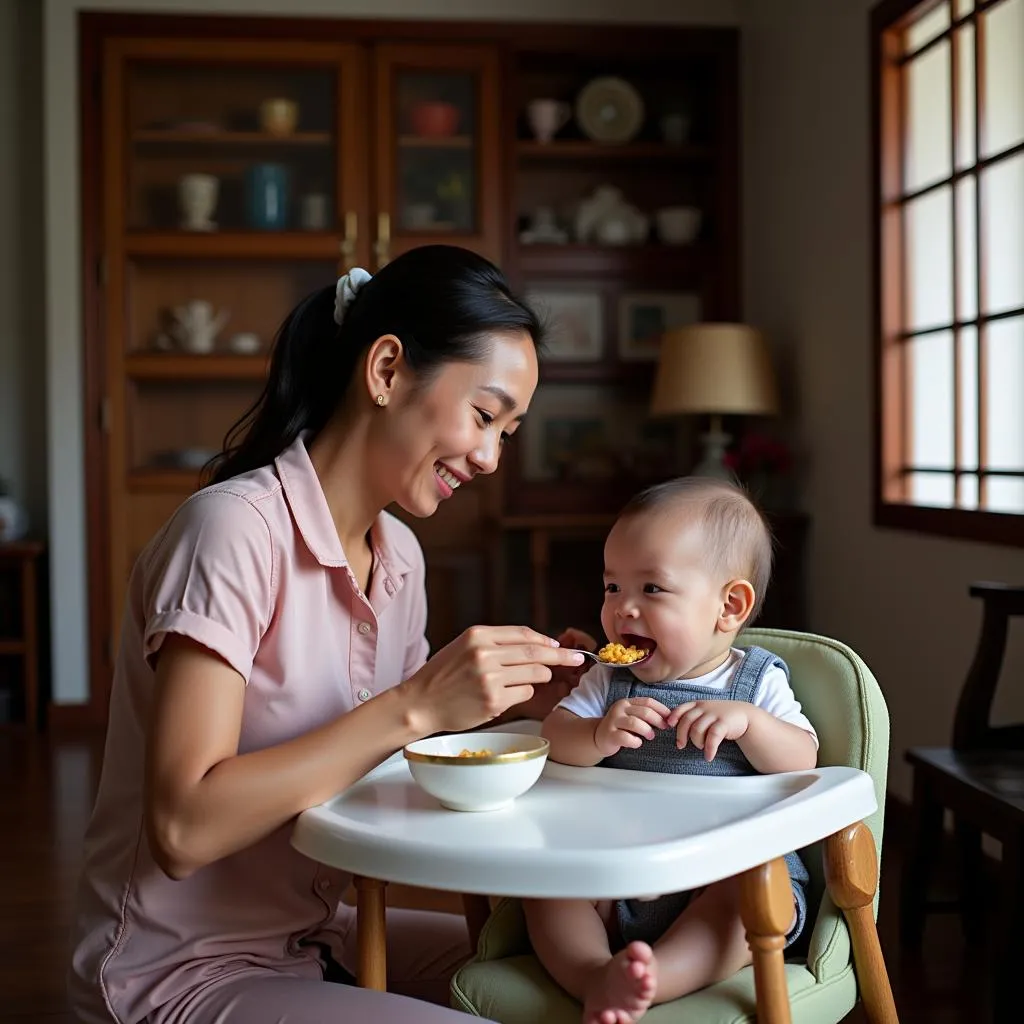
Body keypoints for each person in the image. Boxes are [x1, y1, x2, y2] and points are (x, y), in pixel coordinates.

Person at [68, 245, 587, 1024]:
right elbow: (181, 828)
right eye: (484, 415)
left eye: (507, 434)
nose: (488, 458)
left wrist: (515, 713)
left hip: (315, 937)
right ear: (385, 371)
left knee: (564, 983)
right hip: (176, 972)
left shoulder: (399, 556)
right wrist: (416, 705)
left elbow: (386, 770)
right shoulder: (232, 532)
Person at [523, 477, 819, 1024]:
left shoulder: (755, 683)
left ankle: (658, 979)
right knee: (547, 886)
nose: (622, 610)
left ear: (729, 606)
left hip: (725, 872)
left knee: (748, 897)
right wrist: (594, 735)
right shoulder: (610, 680)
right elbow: (552, 736)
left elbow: (804, 759)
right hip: (617, 869)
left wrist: (750, 725)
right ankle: (594, 973)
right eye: (612, 588)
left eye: (651, 590)